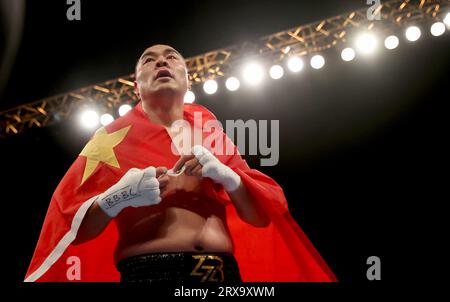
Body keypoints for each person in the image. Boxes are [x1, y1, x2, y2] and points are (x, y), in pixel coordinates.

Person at [24, 44, 336, 283]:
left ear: (187, 81)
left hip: (222, 274)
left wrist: (230, 178)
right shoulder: (109, 139)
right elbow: (70, 226)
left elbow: (259, 217)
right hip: (150, 273)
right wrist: (118, 198)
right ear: (137, 86)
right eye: (149, 59)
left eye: (172, 57)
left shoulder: (210, 130)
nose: (161, 60)